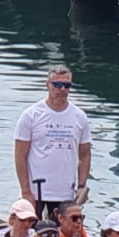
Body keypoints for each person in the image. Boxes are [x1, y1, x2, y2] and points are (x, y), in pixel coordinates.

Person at [14, 65, 92, 215]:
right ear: (47, 85)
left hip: (65, 194)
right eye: (57, 85)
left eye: (67, 85)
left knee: (63, 236)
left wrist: (82, 185)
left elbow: (85, 154)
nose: (62, 89)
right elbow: (20, 155)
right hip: (36, 191)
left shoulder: (80, 117)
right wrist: (25, 191)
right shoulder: (31, 115)